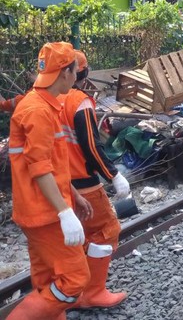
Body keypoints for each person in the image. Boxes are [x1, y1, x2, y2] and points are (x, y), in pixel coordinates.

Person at [7, 42, 91, 319]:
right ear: (66, 73)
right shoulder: (39, 111)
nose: (77, 76)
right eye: (75, 70)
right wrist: (64, 212)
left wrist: (73, 196)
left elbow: (51, 165)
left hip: (39, 208)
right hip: (45, 212)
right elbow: (39, 168)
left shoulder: (43, 104)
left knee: (45, 277)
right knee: (75, 279)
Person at [57, 50, 130, 309]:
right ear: (82, 73)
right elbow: (90, 145)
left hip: (55, 184)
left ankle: (72, 290)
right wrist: (114, 175)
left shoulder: (45, 99)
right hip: (82, 183)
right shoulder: (80, 102)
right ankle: (93, 292)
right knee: (107, 230)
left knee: (78, 237)